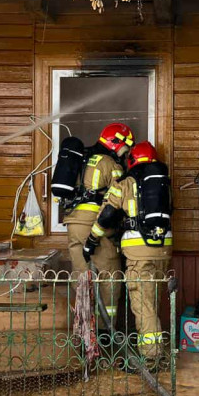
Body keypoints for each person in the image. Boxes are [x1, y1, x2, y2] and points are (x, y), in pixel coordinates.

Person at [84, 141, 172, 368]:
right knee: (152, 301)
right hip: (164, 248)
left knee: (143, 304)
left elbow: (106, 215)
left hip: (139, 251)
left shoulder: (126, 182)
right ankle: (156, 351)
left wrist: (92, 239)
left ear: (132, 160)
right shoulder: (164, 182)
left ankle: (151, 358)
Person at [62, 122, 134, 320]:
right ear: (116, 143)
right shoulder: (110, 164)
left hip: (74, 224)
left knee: (81, 276)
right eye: (125, 146)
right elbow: (118, 198)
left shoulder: (81, 158)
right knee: (108, 275)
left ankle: (84, 327)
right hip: (95, 226)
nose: (125, 152)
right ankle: (104, 328)